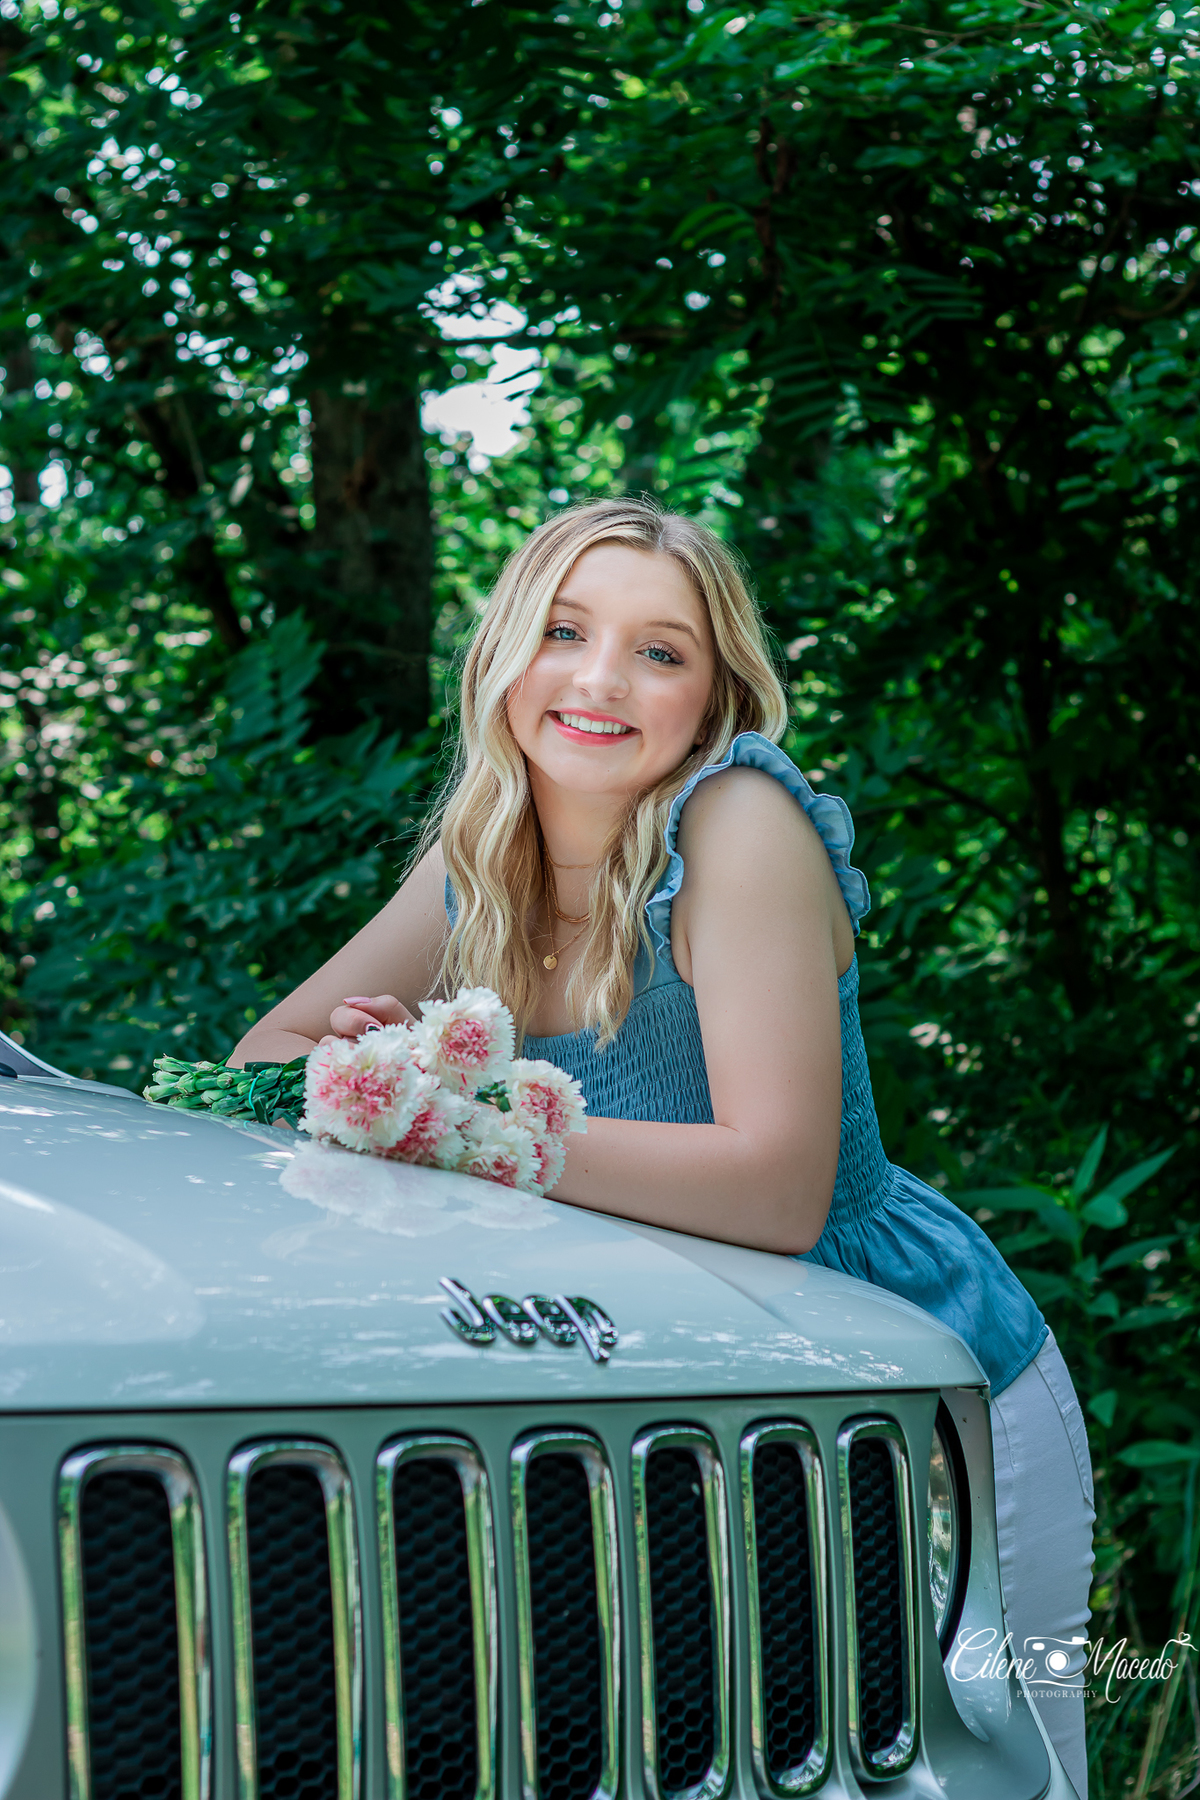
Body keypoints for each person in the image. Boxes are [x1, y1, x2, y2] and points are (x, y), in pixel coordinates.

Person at [231, 497, 1094, 1794]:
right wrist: (384, 1064)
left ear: (713, 698)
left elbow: (780, 1187)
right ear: (504, 658)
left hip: (914, 1391)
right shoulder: (487, 849)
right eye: (565, 631)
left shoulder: (737, 826)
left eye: (659, 650)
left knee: (990, 1776)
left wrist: (471, 1130)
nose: (598, 679)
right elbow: (263, 1060)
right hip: (669, 1394)